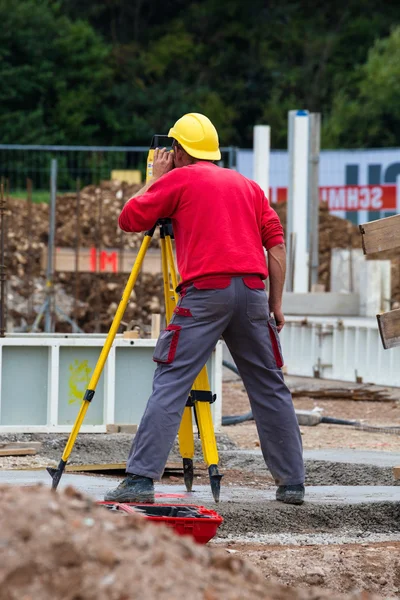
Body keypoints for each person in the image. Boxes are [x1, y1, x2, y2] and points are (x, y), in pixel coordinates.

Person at [105, 113, 305, 505]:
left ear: (178, 150)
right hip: (252, 292)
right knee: (269, 386)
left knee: (172, 380)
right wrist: (275, 303)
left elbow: (129, 219)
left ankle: (141, 479)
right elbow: (277, 246)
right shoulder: (249, 187)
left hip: (204, 293)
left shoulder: (178, 179)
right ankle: (292, 483)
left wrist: (156, 179)